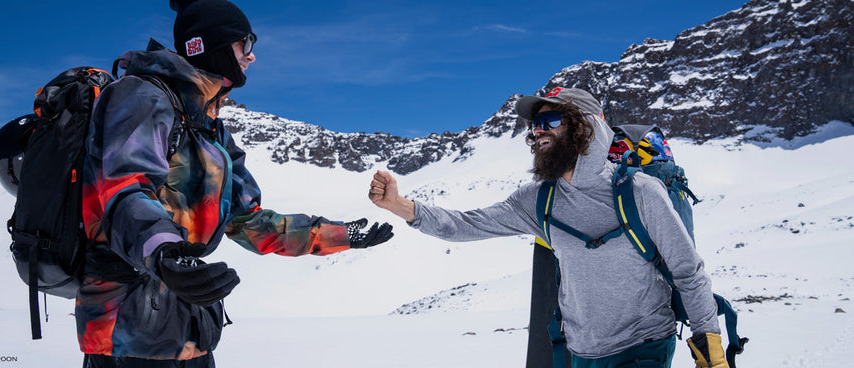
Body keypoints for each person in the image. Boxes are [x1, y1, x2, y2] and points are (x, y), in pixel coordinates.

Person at [78, 0, 394, 367]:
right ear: (211, 44)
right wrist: (165, 253)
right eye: (246, 44)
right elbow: (125, 189)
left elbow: (249, 222)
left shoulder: (209, 128)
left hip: (191, 334)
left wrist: (336, 235)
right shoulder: (141, 97)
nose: (252, 56)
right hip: (127, 336)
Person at [368, 87, 729, 368]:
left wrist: (709, 343)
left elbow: (688, 272)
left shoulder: (640, 192)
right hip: (579, 352)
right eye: (534, 124)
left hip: (644, 345)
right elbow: (468, 224)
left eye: (550, 120)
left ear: (585, 127)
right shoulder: (538, 200)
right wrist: (400, 207)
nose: (537, 130)